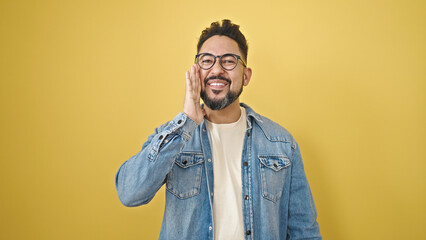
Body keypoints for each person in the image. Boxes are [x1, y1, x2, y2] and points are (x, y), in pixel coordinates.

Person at [115, 19, 321, 240]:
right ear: (197, 71)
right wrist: (186, 123)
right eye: (207, 61)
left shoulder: (281, 144)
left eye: (229, 61)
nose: (216, 70)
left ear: (246, 75)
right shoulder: (173, 137)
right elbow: (129, 193)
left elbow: (304, 231)